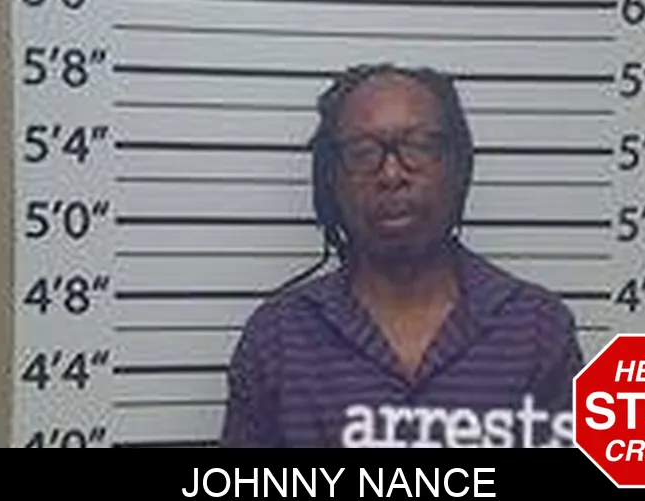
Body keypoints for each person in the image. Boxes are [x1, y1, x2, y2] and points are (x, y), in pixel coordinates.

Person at [221, 63, 585, 448]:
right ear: (332, 180)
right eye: (362, 153)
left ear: (459, 167)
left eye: (418, 147)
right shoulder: (277, 339)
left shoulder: (538, 329)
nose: (391, 175)